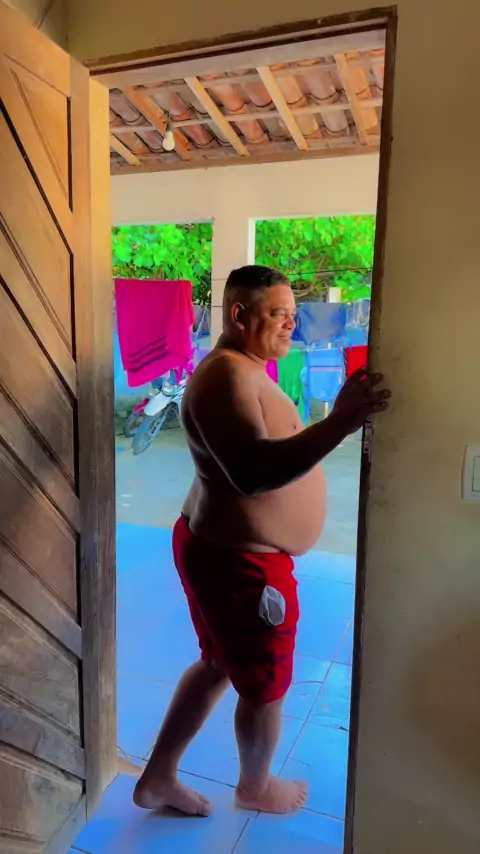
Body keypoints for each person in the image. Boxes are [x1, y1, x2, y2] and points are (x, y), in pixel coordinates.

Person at [133, 265, 390, 817]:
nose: (291, 326)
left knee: (216, 664)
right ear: (238, 316)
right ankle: (255, 786)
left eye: (293, 315)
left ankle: (158, 778)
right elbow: (250, 473)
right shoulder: (226, 377)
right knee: (265, 688)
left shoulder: (244, 368)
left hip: (226, 553)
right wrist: (340, 424)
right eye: (279, 315)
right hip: (240, 566)